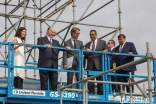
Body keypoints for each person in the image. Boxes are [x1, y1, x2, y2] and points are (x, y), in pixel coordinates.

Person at [85, 30, 108, 95]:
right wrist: (86, 51)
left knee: (100, 81)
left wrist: (106, 50)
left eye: (93, 34)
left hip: (99, 65)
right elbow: (85, 55)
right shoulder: (87, 44)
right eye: (90, 35)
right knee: (90, 82)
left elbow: (108, 49)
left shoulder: (102, 42)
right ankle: (90, 94)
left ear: (96, 34)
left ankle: (100, 94)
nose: (91, 36)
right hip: (90, 65)